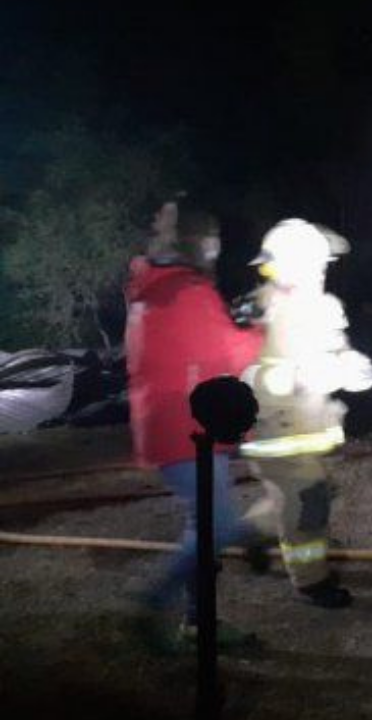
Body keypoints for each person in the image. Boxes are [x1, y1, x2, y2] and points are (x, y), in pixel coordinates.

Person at [125, 196, 266, 646]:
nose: (218, 246)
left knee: (204, 526)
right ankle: (153, 605)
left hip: (170, 424)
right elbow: (230, 354)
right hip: (188, 428)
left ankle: (198, 620)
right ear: (200, 241)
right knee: (217, 527)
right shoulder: (190, 291)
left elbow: (194, 350)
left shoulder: (155, 287)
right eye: (214, 239)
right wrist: (262, 328)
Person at [239, 219, 372, 608]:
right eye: (315, 266)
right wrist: (311, 373)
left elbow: (333, 351)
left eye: (323, 266)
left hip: (307, 427)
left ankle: (248, 533)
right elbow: (252, 372)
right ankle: (311, 582)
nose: (321, 273)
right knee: (306, 505)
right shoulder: (263, 310)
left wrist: (353, 366)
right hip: (278, 433)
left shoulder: (319, 306)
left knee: (299, 498)